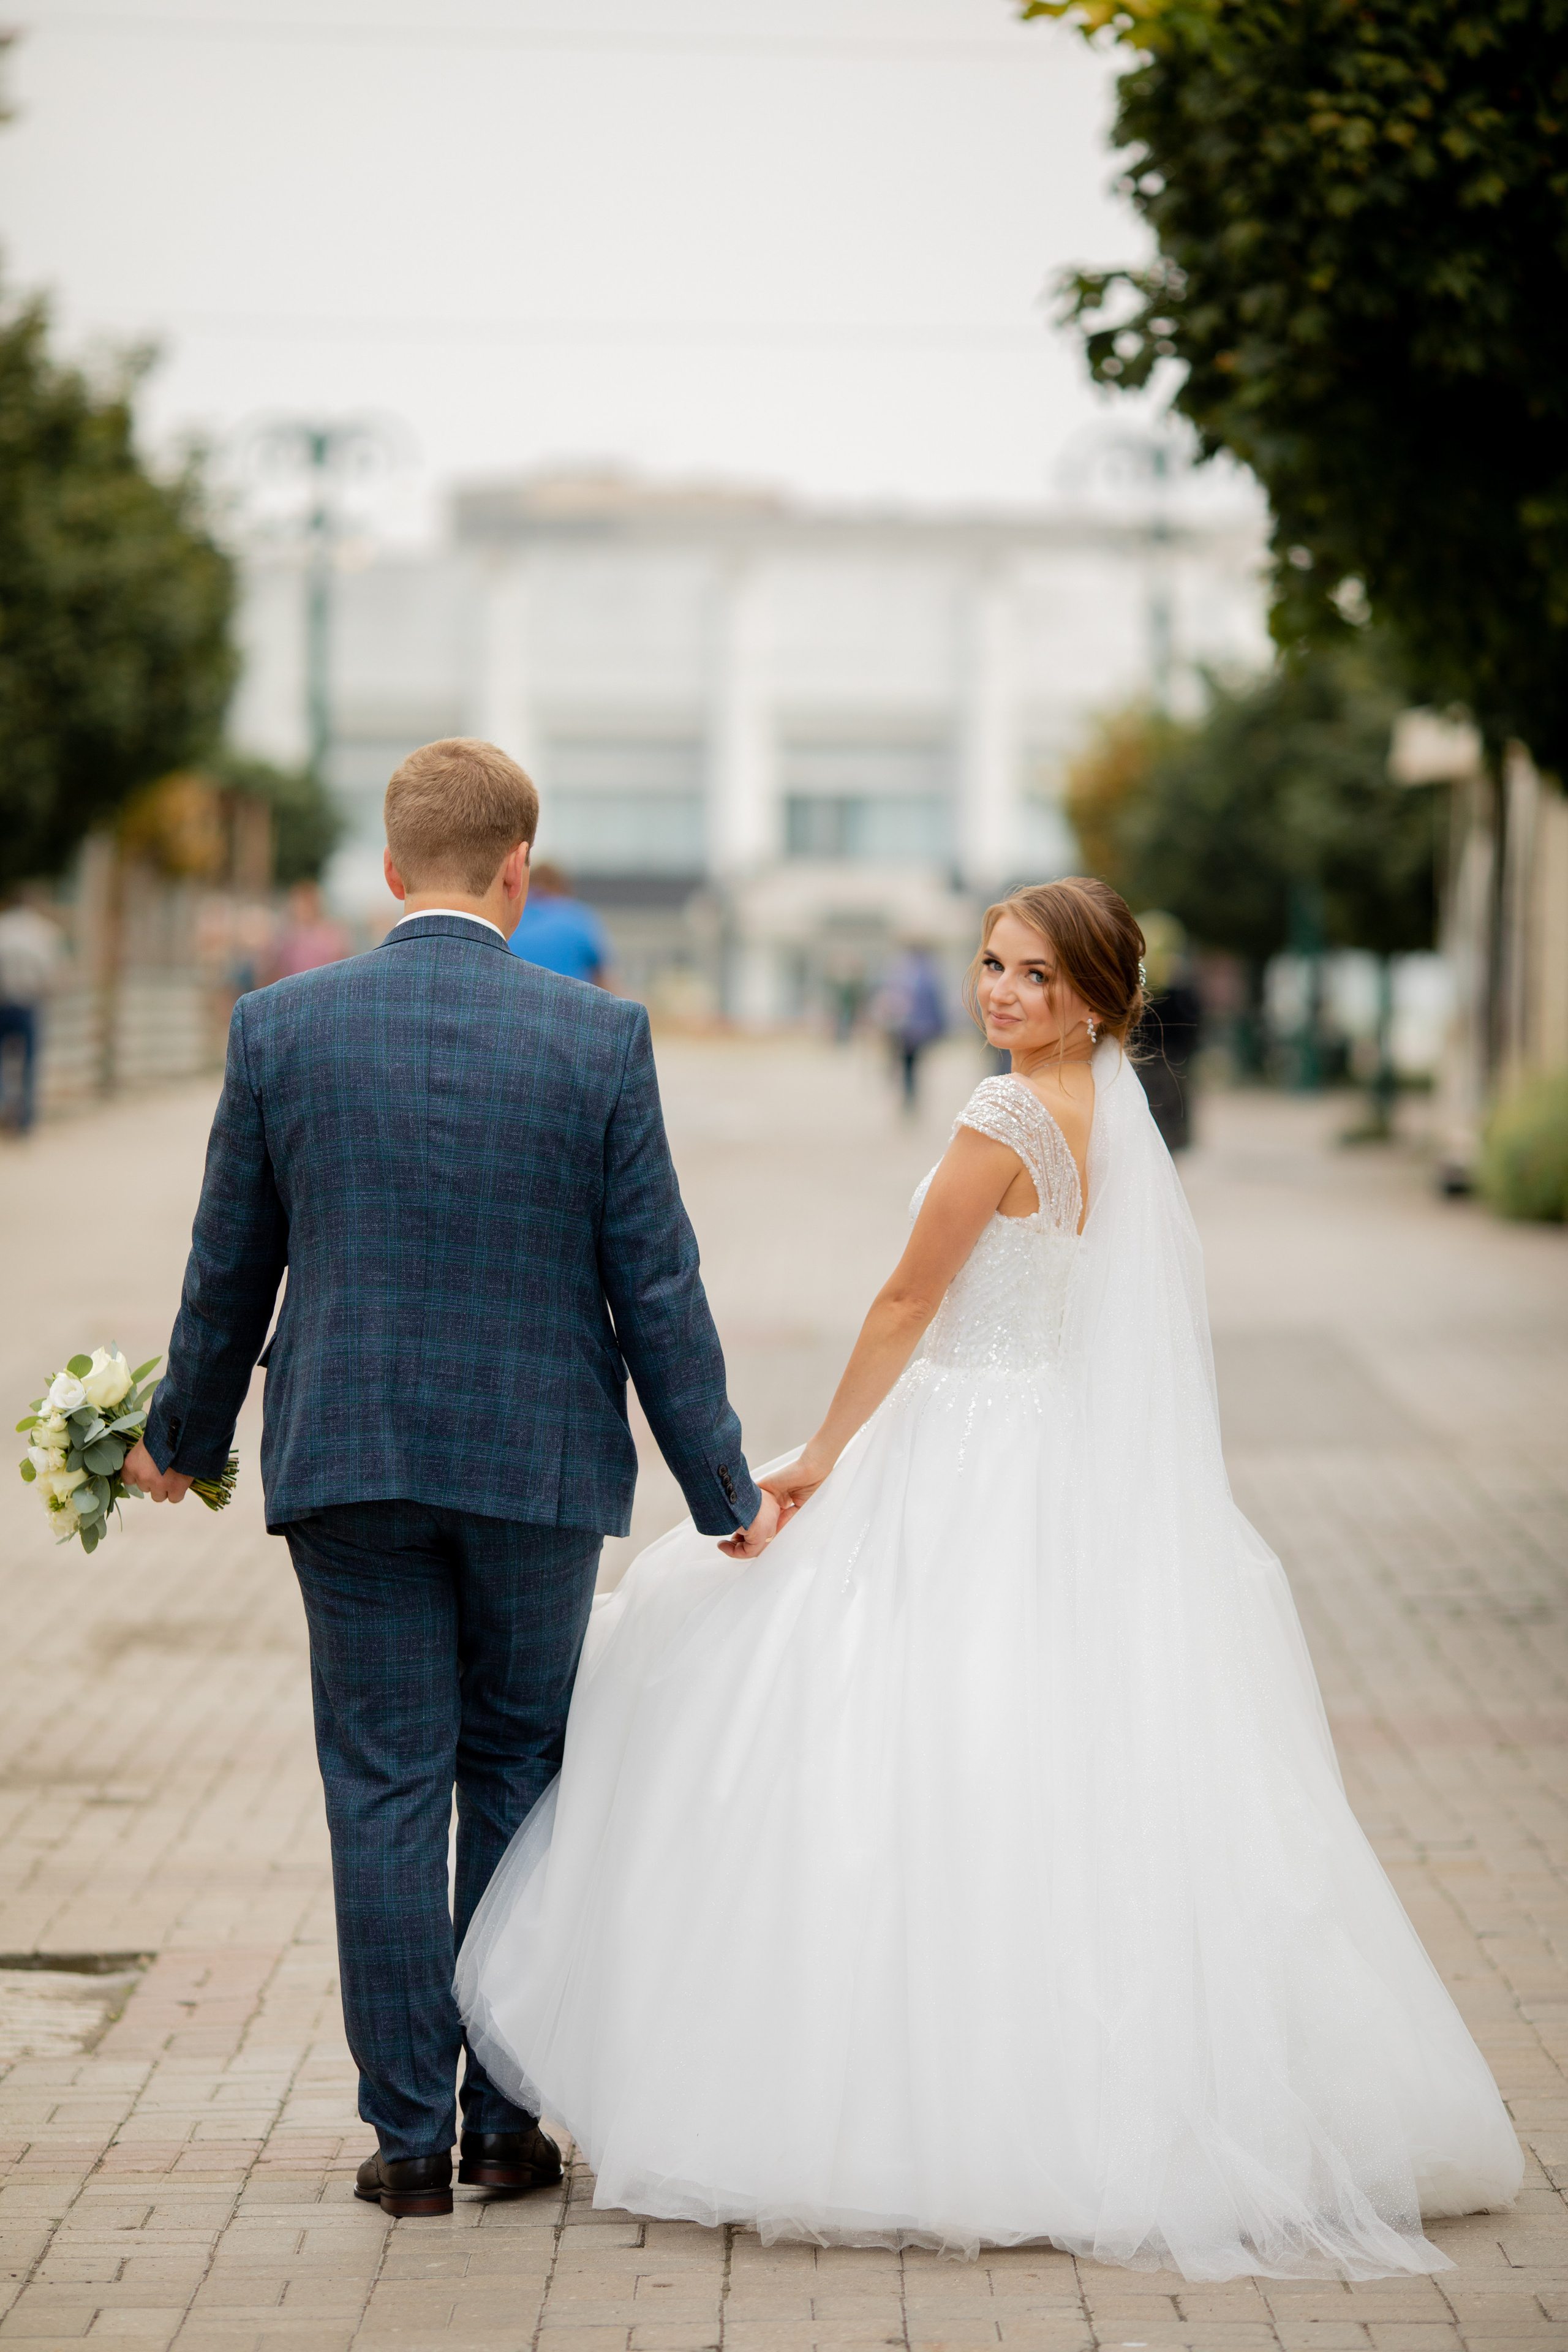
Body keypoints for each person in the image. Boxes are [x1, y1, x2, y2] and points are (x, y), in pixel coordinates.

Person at [456, 876, 1521, 2279]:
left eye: (1034, 973)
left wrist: (822, 1454)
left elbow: (907, 1299)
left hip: (953, 1441)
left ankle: (898, 2097)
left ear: (1091, 994)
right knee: (1032, 1745)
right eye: (991, 963)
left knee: (813, 1690)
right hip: (1054, 1451)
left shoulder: (1002, 1115)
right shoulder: (1116, 1128)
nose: (1001, 990)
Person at [120, 739, 774, 2221]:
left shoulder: (280, 1027)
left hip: (346, 1461)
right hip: (536, 1465)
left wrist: (184, 1431)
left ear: (390, 864)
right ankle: (506, 2120)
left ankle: (405, 2136)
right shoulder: (596, 1036)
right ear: (517, 869)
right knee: (518, 1778)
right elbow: (654, 1287)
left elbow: (229, 1267)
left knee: (382, 1785)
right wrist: (724, 1488)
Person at [0, 892, 65, 1135]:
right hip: (30, 1004)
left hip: (3, 1002)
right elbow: (54, 974)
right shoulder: (44, 932)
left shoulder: (2, 928)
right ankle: (25, 1120)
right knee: (29, 1064)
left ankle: (4, 1106)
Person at [507, 859, 613, 987]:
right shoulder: (577, 917)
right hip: (569, 1002)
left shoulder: (510, 915)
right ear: (562, 887)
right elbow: (604, 978)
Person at [876, 940, 948, 1108]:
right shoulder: (929, 973)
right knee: (911, 1064)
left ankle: (909, 1094)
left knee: (909, 1064)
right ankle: (910, 1094)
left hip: (908, 1028)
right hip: (915, 1029)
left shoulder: (902, 970)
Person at [263, 880, 350, 982]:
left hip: (322, 986)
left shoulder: (329, 933)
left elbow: (341, 964)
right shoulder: (288, 935)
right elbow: (277, 969)